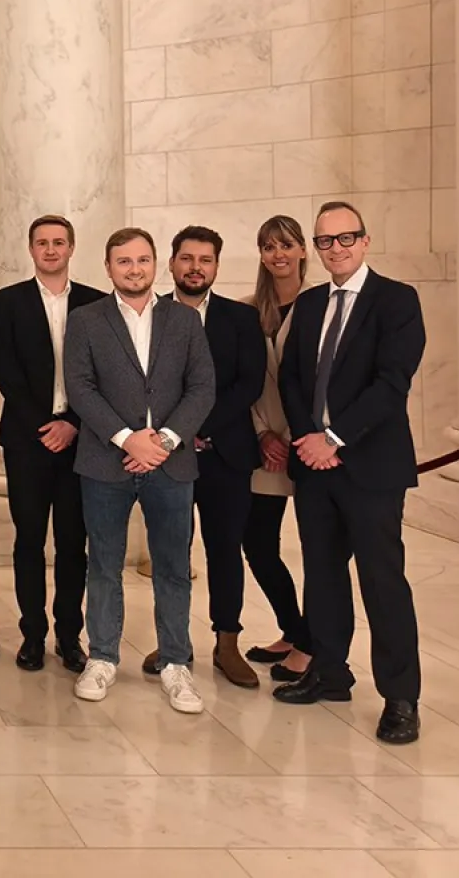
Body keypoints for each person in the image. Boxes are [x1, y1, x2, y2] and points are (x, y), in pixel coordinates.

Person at [275, 202, 425, 745]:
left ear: (365, 241)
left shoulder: (397, 300)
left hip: (370, 467)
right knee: (323, 574)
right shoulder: (311, 303)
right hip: (315, 468)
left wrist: (334, 439)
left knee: (382, 582)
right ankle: (331, 673)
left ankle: (401, 697)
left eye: (345, 238)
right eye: (324, 241)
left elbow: (392, 383)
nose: (335, 249)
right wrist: (308, 439)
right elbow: (291, 378)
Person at [64, 228, 215, 714]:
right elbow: (81, 388)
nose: (134, 269)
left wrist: (165, 441)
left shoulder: (185, 320)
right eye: (123, 261)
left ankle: (176, 662)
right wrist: (128, 439)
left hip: (171, 465)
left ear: (157, 265)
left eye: (143, 260)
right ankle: (103, 656)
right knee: (103, 564)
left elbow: (202, 388)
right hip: (106, 461)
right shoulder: (86, 320)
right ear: (108, 268)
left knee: (173, 567)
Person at [0, 214, 104, 675]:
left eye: (59, 242)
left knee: (74, 543)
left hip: (83, 442)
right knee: (29, 540)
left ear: (72, 248)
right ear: (31, 249)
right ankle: (33, 635)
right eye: (42, 243)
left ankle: (69, 636)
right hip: (27, 440)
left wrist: (74, 423)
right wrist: (46, 424)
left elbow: (103, 376)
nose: (51, 250)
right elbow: (6, 371)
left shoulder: (97, 304)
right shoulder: (7, 303)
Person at [155, 225, 266, 688]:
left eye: (205, 260)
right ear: (172, 263)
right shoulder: (150, 313)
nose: (195, 267)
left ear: (216, 266)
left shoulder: (241, 320)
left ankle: (226, 641)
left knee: (224, 551)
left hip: (225, 454)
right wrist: (177, 434)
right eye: (187, 258)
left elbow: (249, 383)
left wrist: (199, 428)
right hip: (169, 456)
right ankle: (171, 642)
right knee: (171, 552)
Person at [242, 215, 313, 682]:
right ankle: (294, 629)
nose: (278, 255)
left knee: (319, 552)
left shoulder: (322, 305)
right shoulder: (249, 310)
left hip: (311, 447)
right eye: (269, 247)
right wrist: (265, 434)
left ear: (304, 250)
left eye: (286, 245)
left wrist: (296, 437)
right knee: (259, 544)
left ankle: (311, 646)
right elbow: (241, 378)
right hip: (265, 445)